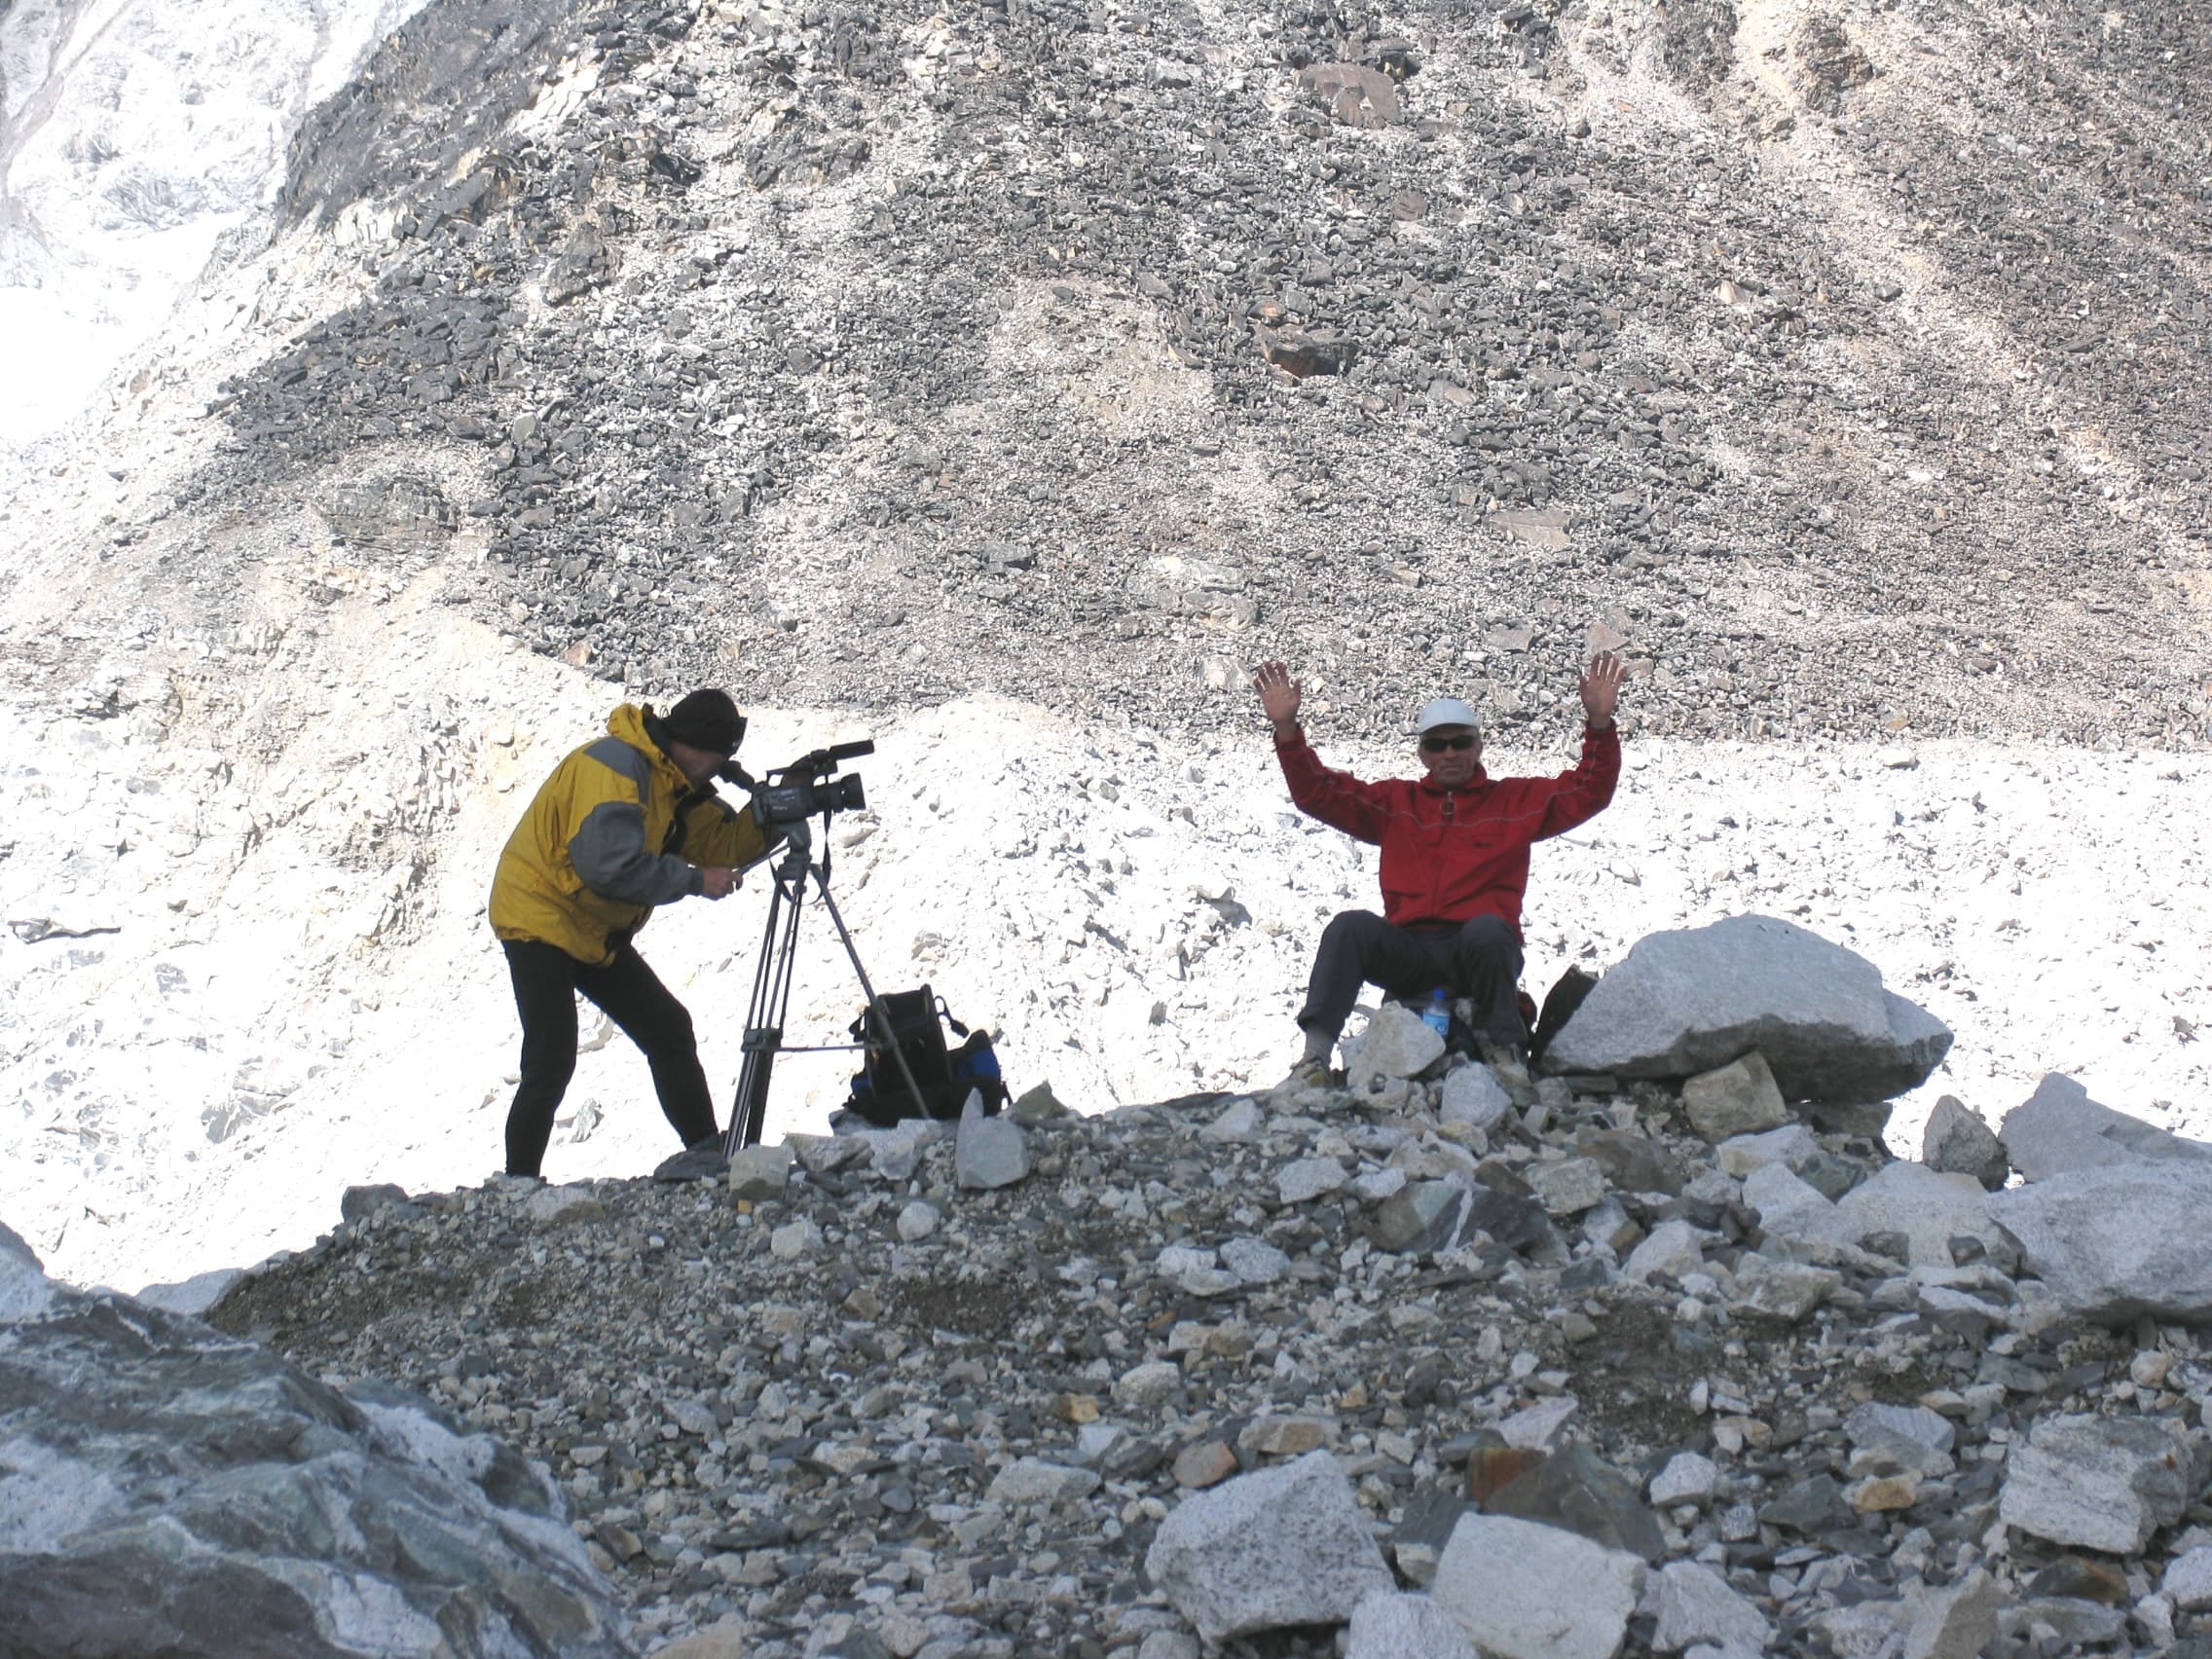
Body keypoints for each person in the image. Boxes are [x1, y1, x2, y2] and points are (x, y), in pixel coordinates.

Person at [1255, 651, 1628, 1086]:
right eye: (1437, 744)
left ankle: (1505, 1051)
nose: (1449, 753)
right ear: (1423, 754)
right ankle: (1314, 1059)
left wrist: (1599, 725)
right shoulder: (1395, 804)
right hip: (1410, 950)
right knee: (1349, 928)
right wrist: (1287, 729)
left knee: (1488, 930)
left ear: (1478, 746)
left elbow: (1589, 790)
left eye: (1460, 742)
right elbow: (1318, 792)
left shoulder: (1514, 802)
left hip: (1478, 951)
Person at [488, 688, 776, 1180]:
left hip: (590, 927)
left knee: (667, 1027)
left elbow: (725, 843)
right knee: (551, 1057)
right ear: (696, 746)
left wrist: (778, 812)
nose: (720, 769)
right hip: (540, 914)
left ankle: (706, 1151)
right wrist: (693, 880)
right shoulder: (616, 767)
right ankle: (517, 1187)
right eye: (720, 757)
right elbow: (606, 867)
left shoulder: (670, 782)